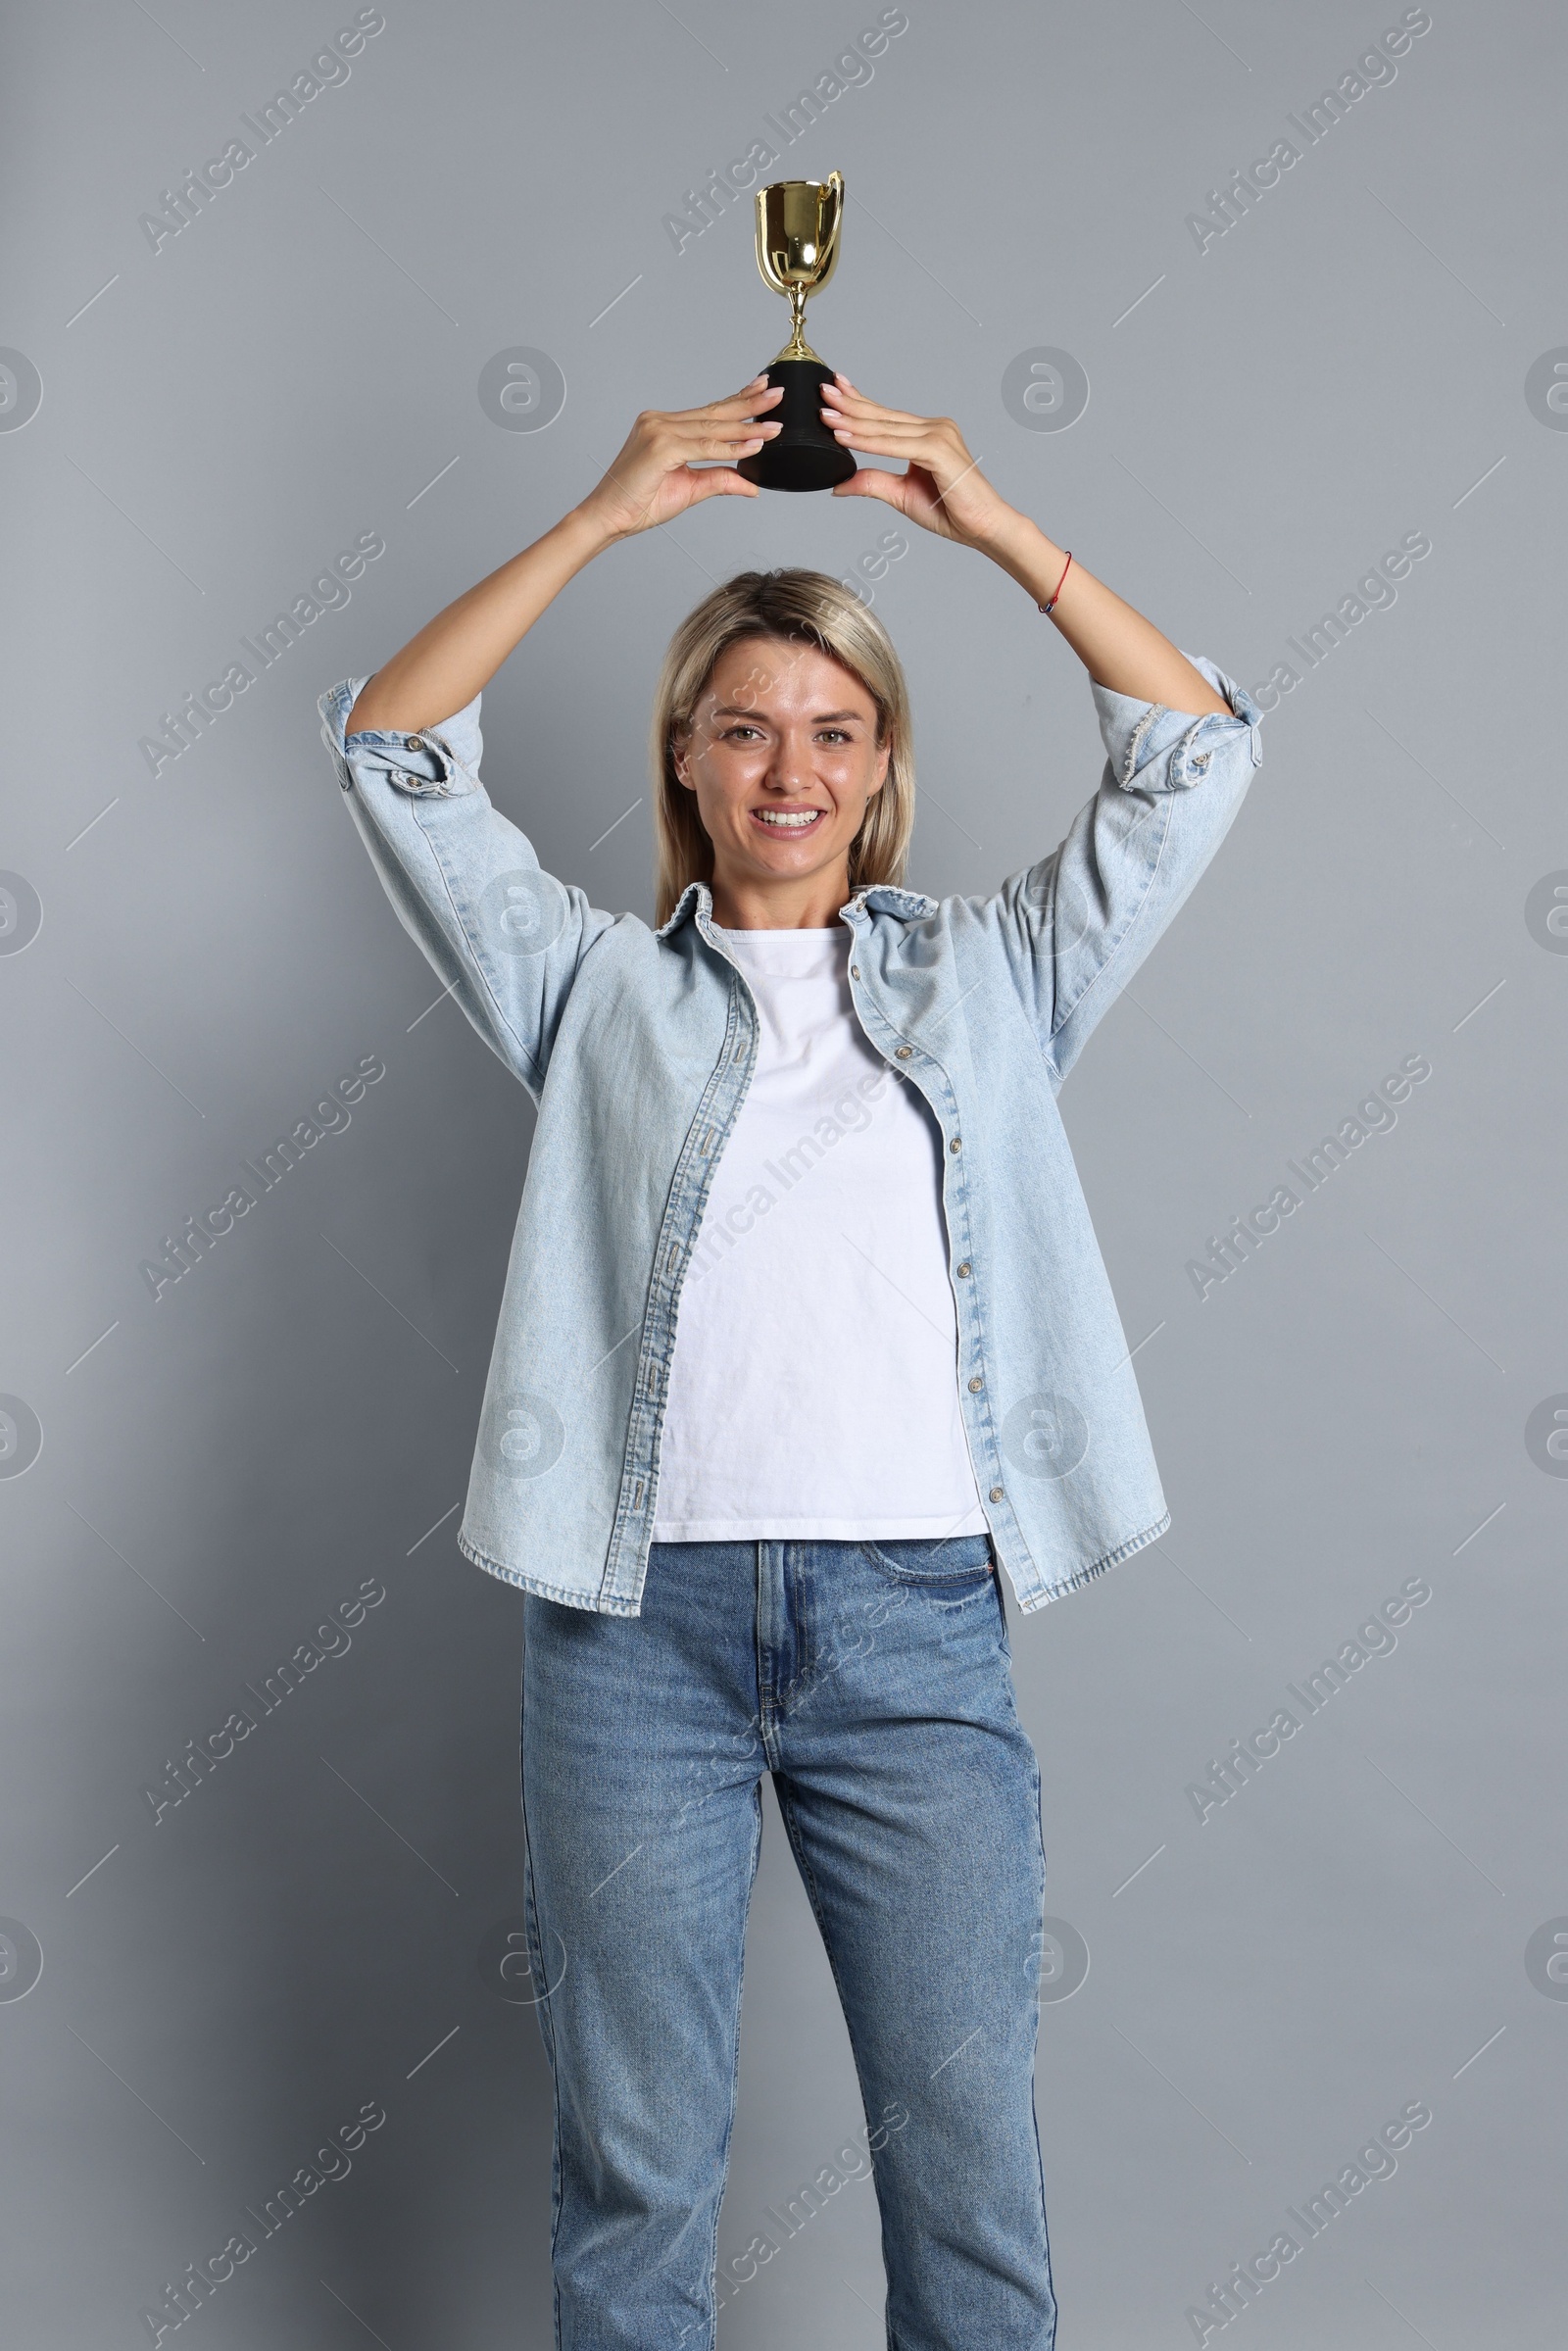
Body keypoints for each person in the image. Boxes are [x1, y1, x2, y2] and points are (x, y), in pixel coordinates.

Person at [319, 370, 1263, 2350]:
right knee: (635, 2168)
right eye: (744, 727)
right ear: (685, 751)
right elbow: (392, 747)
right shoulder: (588, 989)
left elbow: (1183, 747)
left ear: (878, 759)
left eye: (832, 731)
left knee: (963, 2163)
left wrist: (995, 525)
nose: (788, 768)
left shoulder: (991, 978)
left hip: (914, 1623)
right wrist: (594, 521)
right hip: (628, 1636)